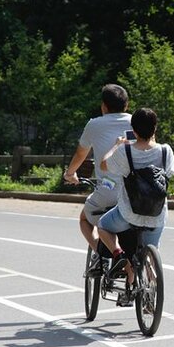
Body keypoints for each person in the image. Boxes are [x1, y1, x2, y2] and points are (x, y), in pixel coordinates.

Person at [97, 107, 174, 304]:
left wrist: (117, 145)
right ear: (155, 127)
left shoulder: (125, 152)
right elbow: (172, 172)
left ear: (133, 129)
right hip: (156, 215)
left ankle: (118, 254)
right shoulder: (166, 151)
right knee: (150, 253)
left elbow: (103, 165)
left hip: (128, 214)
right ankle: (150, 298)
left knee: (102, 225)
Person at [63, 84, 132, 270]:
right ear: (126, 105)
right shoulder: (136, 122)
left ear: (104, 106)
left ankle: (101, 256)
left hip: (108, 189)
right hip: (135, 191)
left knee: (84, 219)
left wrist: (70, 174)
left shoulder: (94, 124)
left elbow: (80, 154)